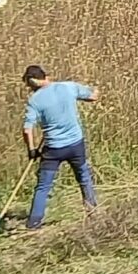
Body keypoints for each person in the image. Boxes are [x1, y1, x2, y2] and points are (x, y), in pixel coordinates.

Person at [20, 63, 100, 229]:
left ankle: (34, 223)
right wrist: (96, 90)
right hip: (75, 144)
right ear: (46, 76)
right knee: (84, 177)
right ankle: (93, 213)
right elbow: (93, 96)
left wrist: (32, 150)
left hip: (53, 149)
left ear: (30, 84)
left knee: (43, 186)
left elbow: (27, 130)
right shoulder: (68, 87)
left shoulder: (34, 101)